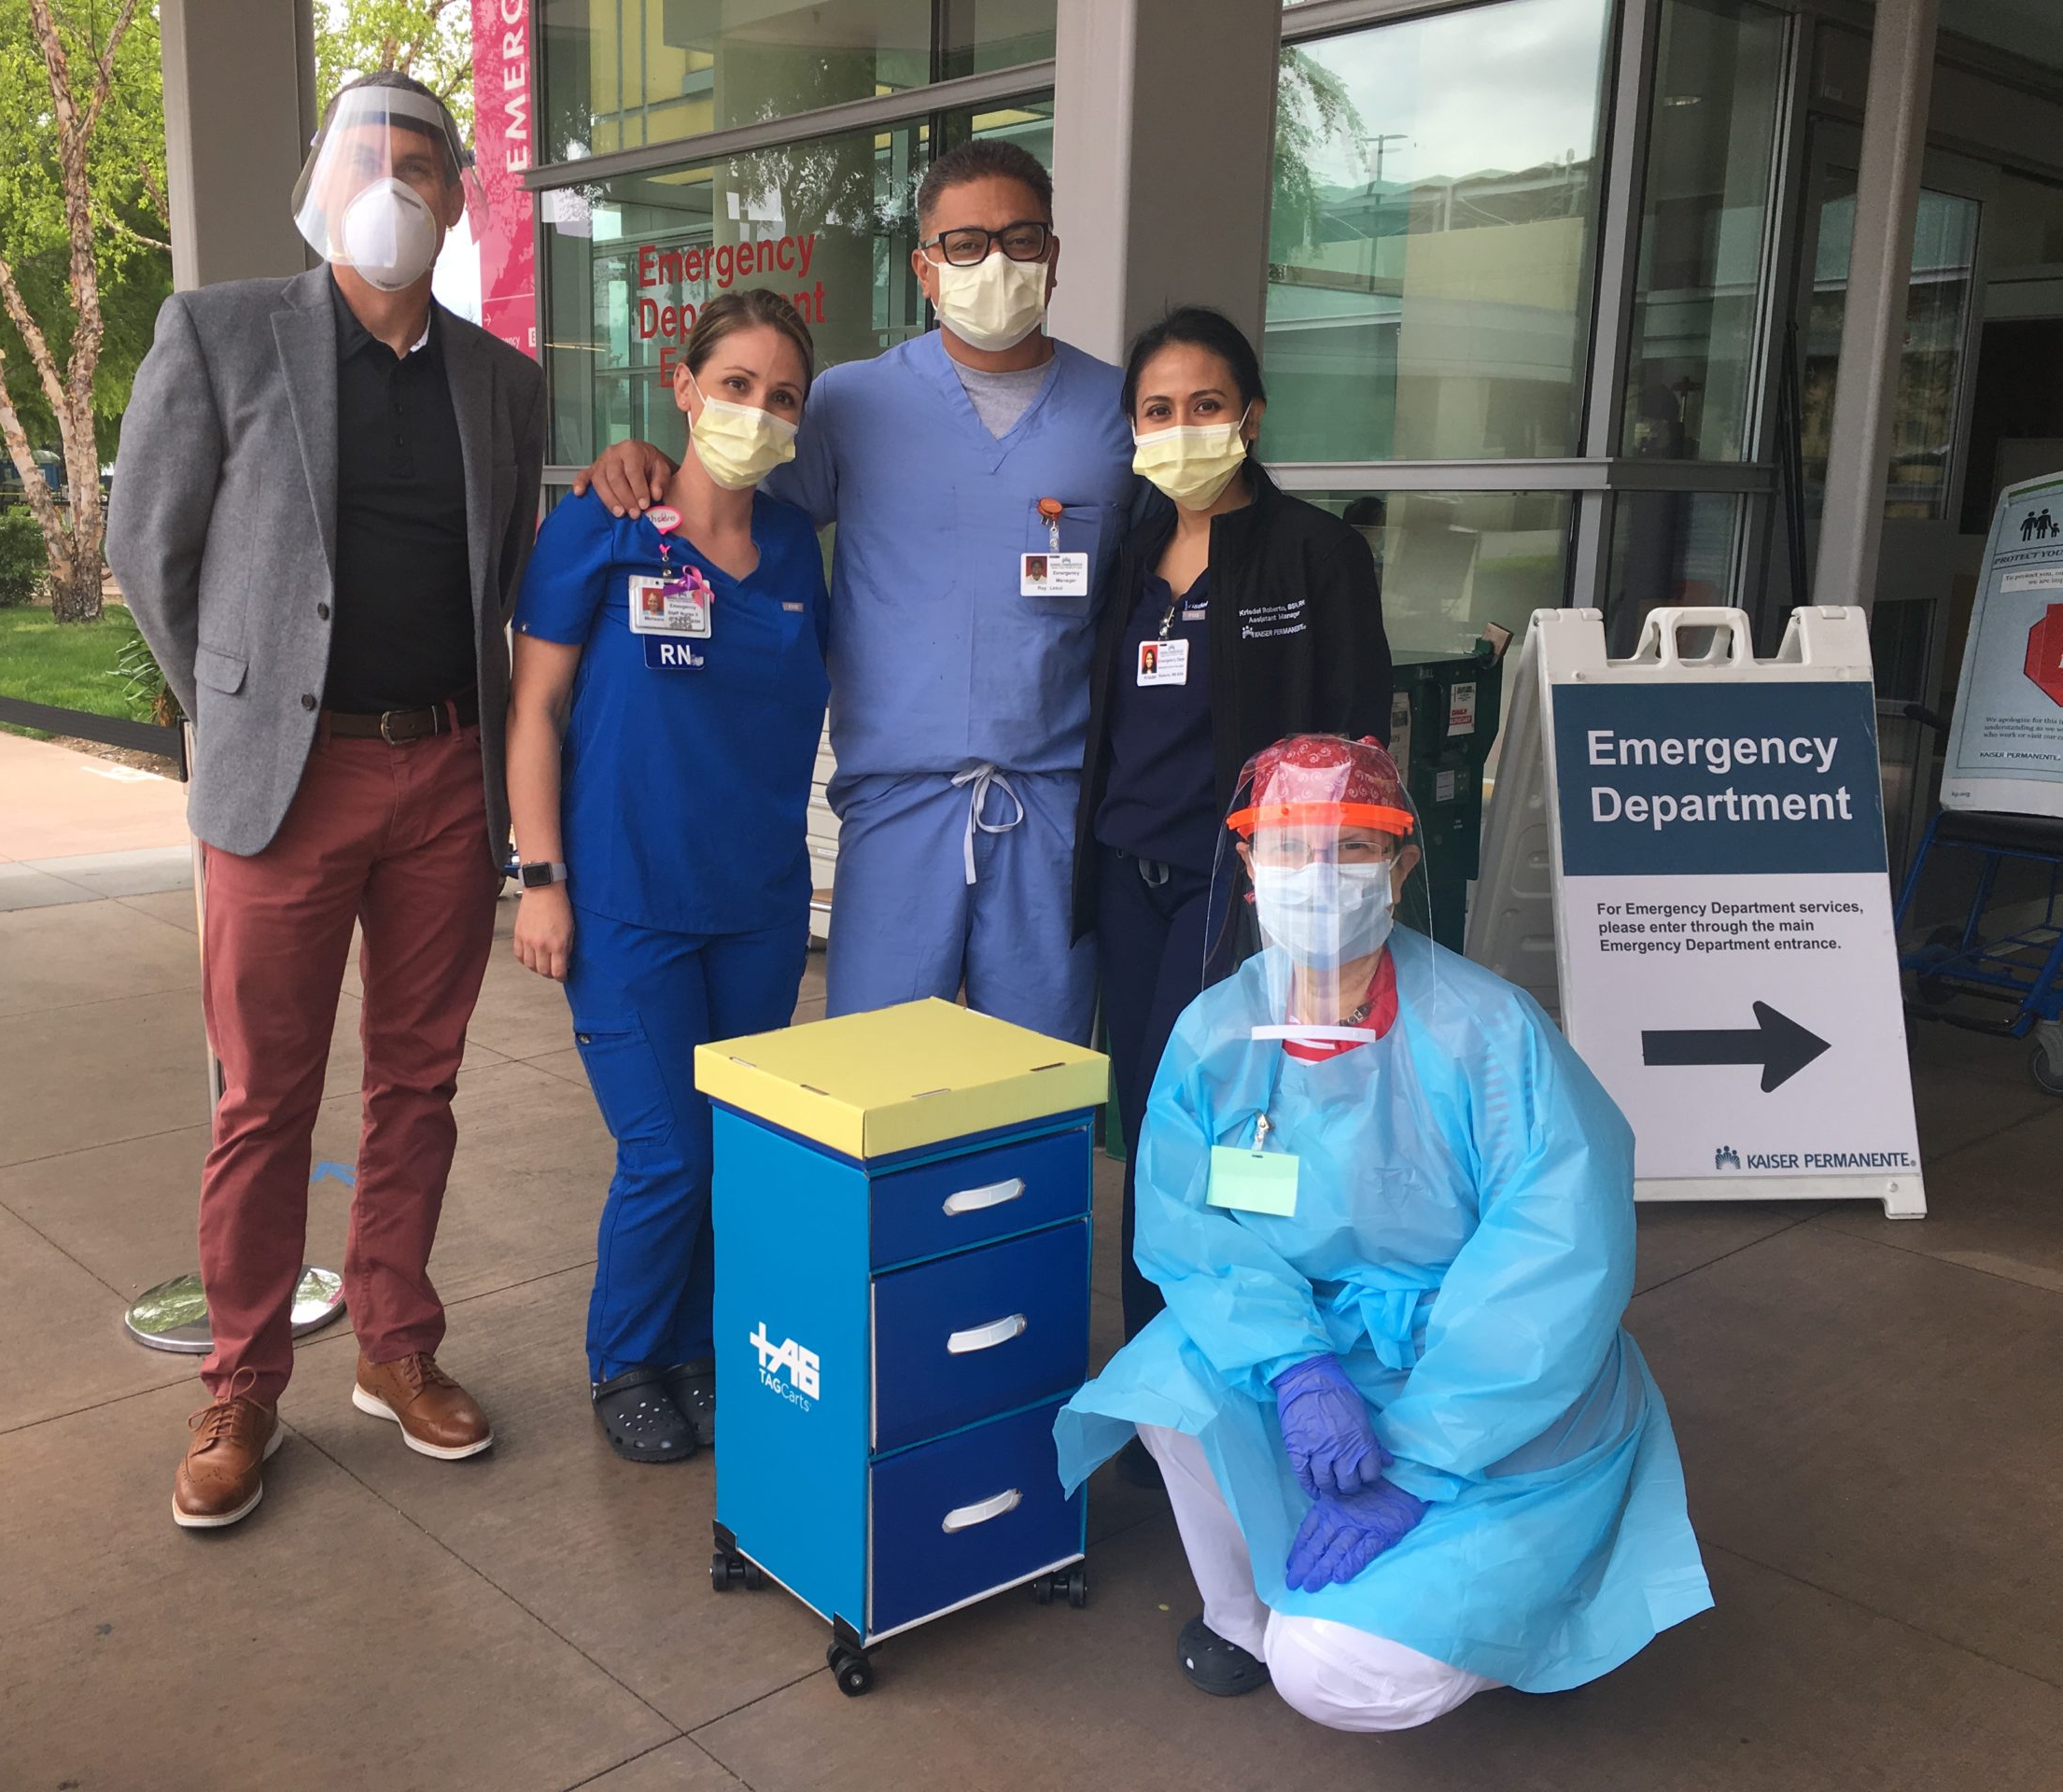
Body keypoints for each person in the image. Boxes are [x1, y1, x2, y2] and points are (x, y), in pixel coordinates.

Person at [1056, 735, 1711, 1730]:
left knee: (1331, 1675)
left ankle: (1486, 1624)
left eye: (1351, 847)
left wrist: (1416, 1463)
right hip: (1327, 1355)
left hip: (1490, 1399)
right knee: (1166, 1375)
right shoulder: (1213, 1037)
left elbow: (1553, 1267)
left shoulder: (1490, 1037)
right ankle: (1244, 1614)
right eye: (1286, 846)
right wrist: (1294, 1366)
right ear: (1244, 864)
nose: (1316, 878)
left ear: (1402, 866)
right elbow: (1193, 1232)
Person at [109, 71, 546, 1530]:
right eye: (368, 152)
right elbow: (148, 548)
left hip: (445, 774)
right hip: (286, 787)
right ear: (319, 175)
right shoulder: (222, 331)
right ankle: (240, 1382)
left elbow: (506, 578)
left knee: (418, 1085)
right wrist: (235, 710)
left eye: (424, 162)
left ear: (454, 197)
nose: (395, 180)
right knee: (264, 1099)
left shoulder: (502, 381)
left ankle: (396, 1346)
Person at [576, 139, 1136, 1044]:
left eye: (1020, 238)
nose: (993, 261)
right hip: (894, 808)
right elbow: (736, 519)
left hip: (1050, 814)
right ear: (923, 267)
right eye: (963, 243)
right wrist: (641, 460)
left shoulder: (1116, 417)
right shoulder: (852, 404)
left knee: (1037, 1088)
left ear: (1054, 254)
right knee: (875, 1089)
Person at [507, 290, 832, 1464]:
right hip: (626, 901)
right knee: (666, 1152)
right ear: (681, 386)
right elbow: (535, 710)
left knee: (733, 1147)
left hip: (753, 907)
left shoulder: (795, 547)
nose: (756, 410)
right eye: (735, 384)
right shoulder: (602, 525)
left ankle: (699, 1346)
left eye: (781, 396)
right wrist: (539, 875)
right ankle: (624, 1357)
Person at [1072, 306, 1391, 1352]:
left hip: (1242, 891)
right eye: (1157, 410)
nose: (1180, 427)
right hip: (1130, 881)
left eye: (1204, 405)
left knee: (1232, 1122)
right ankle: (1161, 1366)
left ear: (1250, 417)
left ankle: (1246, 1358)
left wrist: (1327, 908)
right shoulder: (1129, 549)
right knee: (1154, 1124)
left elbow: (1356, 741)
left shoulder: (1315, 555)